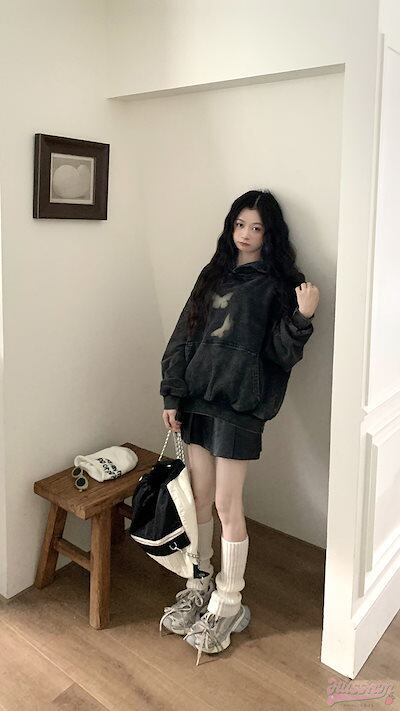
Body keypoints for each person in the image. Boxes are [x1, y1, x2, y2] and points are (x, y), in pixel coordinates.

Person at [158, 189, 320, 666]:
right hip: (197, 399)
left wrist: (302, 316)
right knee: (200, 498)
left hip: (239, 406)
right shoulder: (213, 274)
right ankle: (200, 583)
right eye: (240, 225)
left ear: (270, 234)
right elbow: (184, 333)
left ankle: (229, 603)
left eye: (256, 227)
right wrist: (172, 393)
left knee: (228, 505)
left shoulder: (280, 285)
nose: (246, 235)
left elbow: (280, 354)